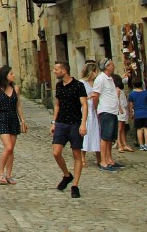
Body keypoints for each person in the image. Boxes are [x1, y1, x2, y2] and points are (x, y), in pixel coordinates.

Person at [51, 60, 88, 199]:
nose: (54, 71)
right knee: (56, 152)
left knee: (77, 154)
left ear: (64, 71)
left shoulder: (78, 85)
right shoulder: (59, 86)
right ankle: (67, 175)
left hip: (74, 123)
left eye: (56, 69)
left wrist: (83, 123)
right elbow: (57, 104)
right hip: (61, 123)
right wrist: (54, 122)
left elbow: (84, 105)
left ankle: (75, 185)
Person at [0, 65, 27, 184]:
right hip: (1, 118)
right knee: (8, 146)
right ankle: (1, 173)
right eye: (11, 73)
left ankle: (9, 174)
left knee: (11, 149)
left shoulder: (16, 88)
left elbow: (18, 105)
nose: (13, 75)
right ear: (5, 75)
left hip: (13, 118)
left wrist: (23, 121)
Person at [91, 58, 121, 172]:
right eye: (112, 65)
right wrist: (96, 108)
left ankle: (109, 159)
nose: (113, 66)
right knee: (105, 137)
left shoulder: (110, 79)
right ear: (107, 67)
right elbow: (95, 95)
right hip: (106, 110)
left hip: (112, 111)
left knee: (110, 137)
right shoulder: (100, 79)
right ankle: (103, 161)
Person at [80, 61, 101, 166]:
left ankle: (99, 157)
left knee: (96, 133)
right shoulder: (82, 83)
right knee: (86, 134)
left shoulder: (96, 83)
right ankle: (82, 158)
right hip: (86, 111)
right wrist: (89, 97)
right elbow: (79, 99)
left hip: (94, 110)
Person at [128, 78, 147, 150]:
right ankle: (146, 144)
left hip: (137, 114)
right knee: (146, 128)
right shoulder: (146, 93)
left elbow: (130, 105)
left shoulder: (132, 94)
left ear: (134, 85)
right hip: (146, 113)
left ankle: (141, 145)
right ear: (142, 85)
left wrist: (131, 113)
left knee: (139, 129)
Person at [113, 74, 132, 152]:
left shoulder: (120, 90)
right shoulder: (117, 90)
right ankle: (120, 144)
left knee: (123, 128)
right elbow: (116, 100)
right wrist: (119, 109)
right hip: (121, 111)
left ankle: (124, 144)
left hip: (124, 110)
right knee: (120, 128)